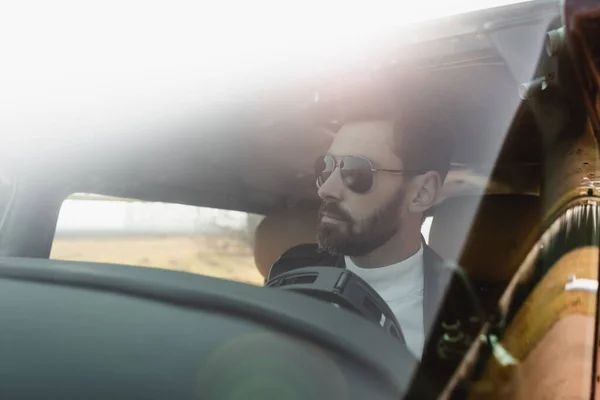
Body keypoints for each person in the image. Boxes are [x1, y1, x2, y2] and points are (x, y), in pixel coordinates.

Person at [266, 77, 455, 359]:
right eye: (326, 166)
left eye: (356, 172)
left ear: (421, 193)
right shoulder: (292, 273)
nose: (326, 189)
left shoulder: (468, 310)